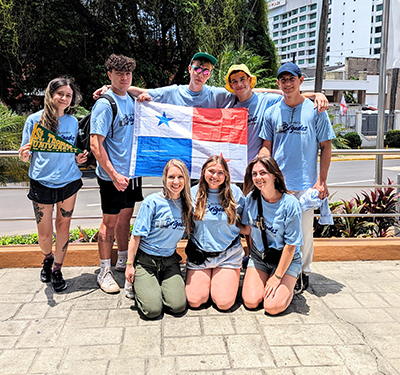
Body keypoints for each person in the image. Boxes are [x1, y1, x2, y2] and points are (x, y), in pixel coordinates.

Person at [259, 62, 335, 294]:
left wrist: (321, 181)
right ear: (278, 83)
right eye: (283, 79)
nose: (287, 83)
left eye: (291, 78)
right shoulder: (271, 112)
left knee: (303, 232)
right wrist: (260, 168)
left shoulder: (315, 110)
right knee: (279, 230)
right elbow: (266, 146)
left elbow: (326, 147)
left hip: (305, 184)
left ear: (301, 80)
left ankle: (303, 272)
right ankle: (281, 269)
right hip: (278, 185)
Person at [19, 77, 88, 292]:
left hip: (69, 181)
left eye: (68, 95)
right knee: (44, 232)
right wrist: (24, 155)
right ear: (50, 94)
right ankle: (47, 257)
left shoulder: (73, 122)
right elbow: (25, 154)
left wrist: (79, 159)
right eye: (61, 94)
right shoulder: (34, 120)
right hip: (41, 182)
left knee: (63, 226)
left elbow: (73, 151)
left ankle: (57, 268)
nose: (65, 98)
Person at [90, 54, 143, 294]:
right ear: (109, 74)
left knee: (125, 219)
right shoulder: (104, 103)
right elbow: (95, 144)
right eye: (118, 73)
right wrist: (113, 175)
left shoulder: (130, 99)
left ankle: (122, 260)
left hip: (131, 173)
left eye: (127, 73)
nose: (124, 77)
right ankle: (104, 270)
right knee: (109, 223)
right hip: (113, 176)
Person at [125, 159, 192, 319]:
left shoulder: (187, 205)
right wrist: (129, 265)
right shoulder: (153, 202)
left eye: (180, 177)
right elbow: (136, 236)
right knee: (153, 311)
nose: (176, 181)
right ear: (165, 179)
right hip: (147, 261)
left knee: (178, 306)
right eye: (171, 177)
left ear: (186, 179)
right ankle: (141, 285)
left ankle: (157, 284)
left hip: (169, 261)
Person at [224, 64, 329, 163]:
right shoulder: (229, 106)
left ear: (249, 80)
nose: (239, 84)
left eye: (242, 79)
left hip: (257, 170)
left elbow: (292, 96)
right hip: (235, 168)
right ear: (231, 85)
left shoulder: (266, 100)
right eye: (235, 81)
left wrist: (316, 95)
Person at [240, 156, 303, 315]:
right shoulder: (252, 198)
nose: (258, 178)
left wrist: (277, 276)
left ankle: (292, 281)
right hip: (260, 256)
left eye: (263, 173)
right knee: (251, 302)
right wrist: (226, 220)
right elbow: (248, 230)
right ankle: (268, 278)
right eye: (254, 174)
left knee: (272, 307)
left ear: (274, 175)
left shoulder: (290, 204)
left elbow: (291, 245)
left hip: (285, 259)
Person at [185, 155, 245, 311]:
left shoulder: (235, 193)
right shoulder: (192, 193)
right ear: (204, 171)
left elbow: (247, 223)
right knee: (195, 301)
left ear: (226, 175)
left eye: (220, 172)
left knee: (224, 304)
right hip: (200, 255)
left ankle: (220, 281)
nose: (215, 176)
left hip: (228, 254)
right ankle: (209, 282)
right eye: (211, 171)